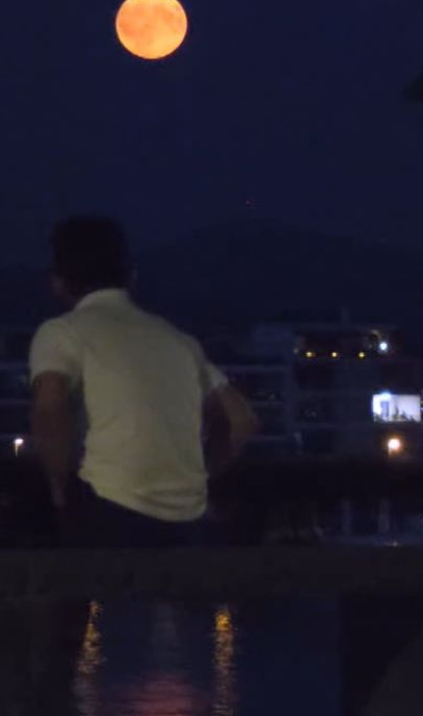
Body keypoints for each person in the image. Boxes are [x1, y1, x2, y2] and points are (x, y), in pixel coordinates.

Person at [29, 215, 259, 548]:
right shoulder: (179, 341)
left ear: (59, 281)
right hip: (190, 519)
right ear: (129, 276)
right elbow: (242, 421)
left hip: (110, 509)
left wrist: (58, 488)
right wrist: (200, 475)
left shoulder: (62, 332)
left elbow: (50, 410)